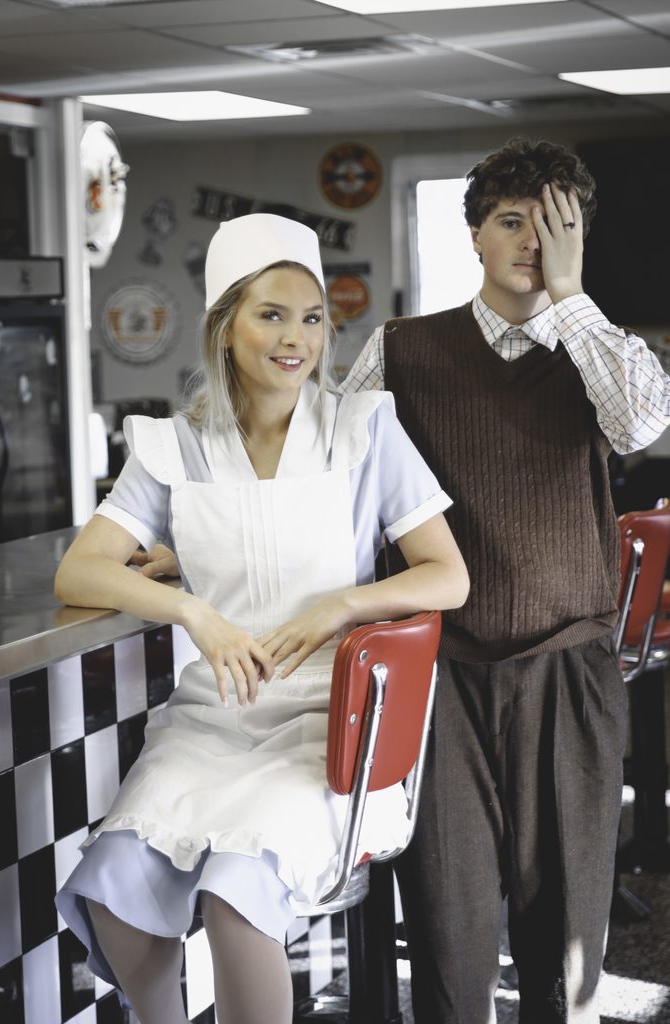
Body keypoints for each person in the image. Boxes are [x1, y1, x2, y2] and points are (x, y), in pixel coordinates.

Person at [54, 213, 469, 1024]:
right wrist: (191, 612)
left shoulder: (363, 426)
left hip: (329, 722)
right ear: (225, 324)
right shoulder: (172, 447)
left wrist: (343, 603)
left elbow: (446, 576)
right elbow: (82, 567)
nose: (297, 339)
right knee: (111, 881)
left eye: (312, 318)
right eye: (271, 315)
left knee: (235, 898)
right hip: (214, 715)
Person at [339, 137, 670, 1024]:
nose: (532, 240)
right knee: (449, 922)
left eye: (557, 224)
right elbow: (334, 481)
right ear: (475, 236)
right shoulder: (401, 351)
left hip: (567, 668)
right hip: (440, 671)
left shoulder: (599, 351)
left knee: (565, 940)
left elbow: (641, 424)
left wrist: (570, 296)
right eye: (512, 221)